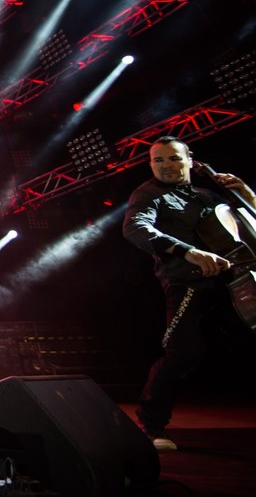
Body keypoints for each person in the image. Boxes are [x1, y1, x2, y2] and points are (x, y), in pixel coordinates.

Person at [123, 135, 256, 452]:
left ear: (190, 160)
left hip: (237, 280)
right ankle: (151, 426)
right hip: (189, 283)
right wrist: (189, 252)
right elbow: (136, 228)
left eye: (174, 158)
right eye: (158, 160)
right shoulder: (148, 194)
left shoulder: (209, 195)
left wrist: (245, 193)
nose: (166, 166)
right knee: (184, 352)